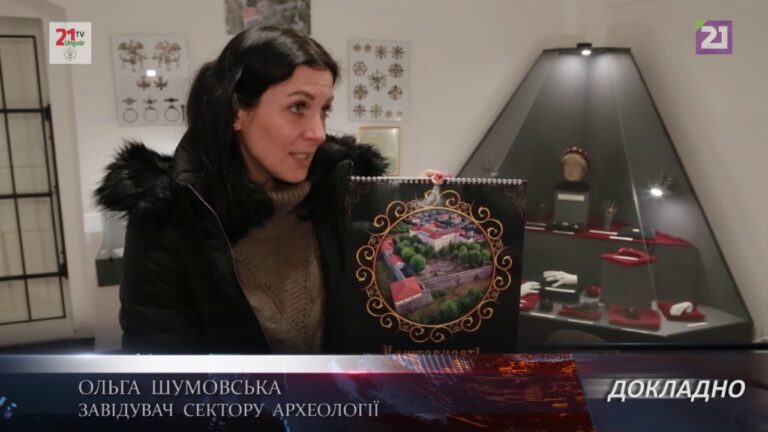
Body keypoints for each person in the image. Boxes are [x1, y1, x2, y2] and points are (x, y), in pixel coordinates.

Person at [95, 26, 443, 354]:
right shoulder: (169, 217)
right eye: (297, 107)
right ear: (236, 111)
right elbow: (162, 368)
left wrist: (412, 220)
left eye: (323, 110)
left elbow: (387, 305)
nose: (318, 133)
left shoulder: (342, 193)